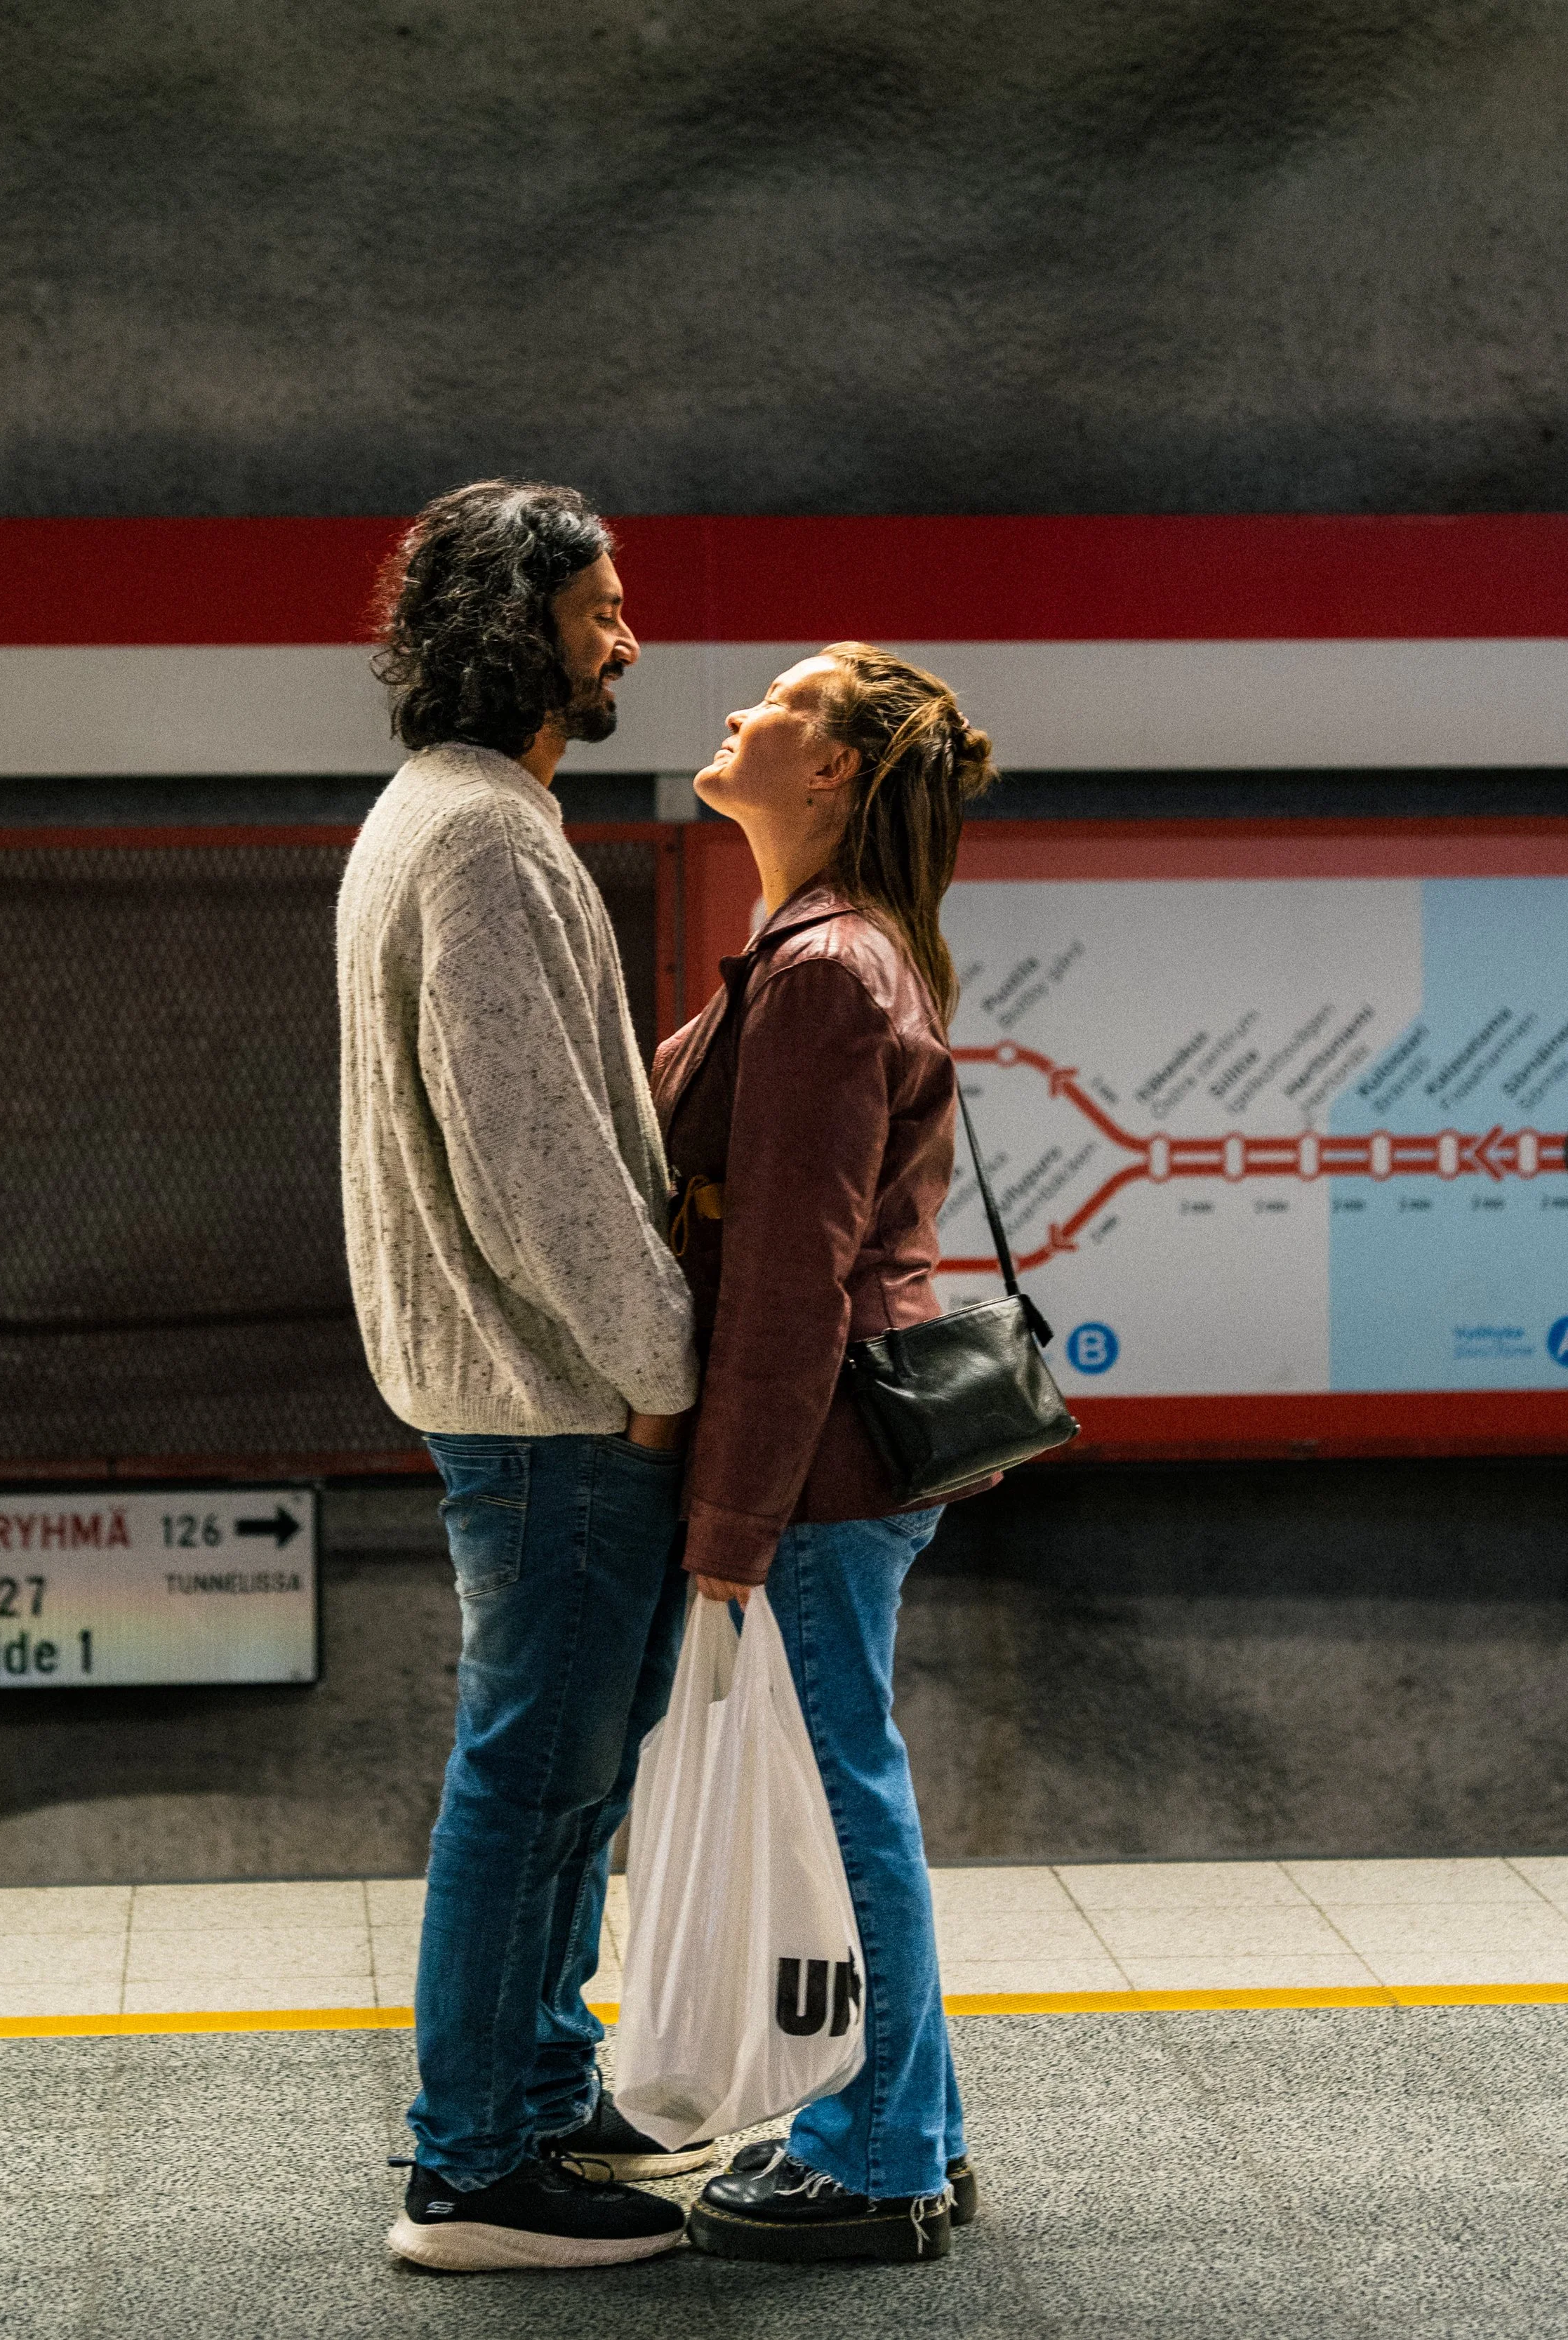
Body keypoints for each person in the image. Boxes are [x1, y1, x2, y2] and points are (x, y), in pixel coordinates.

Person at [338, 480, 712, 2274]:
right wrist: (657, 1368)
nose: (626, 639)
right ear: (519, 625)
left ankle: (540, 2091)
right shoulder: (487, 839)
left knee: (560, 1768)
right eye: (599, 611)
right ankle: (474, 2165)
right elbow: (535, 1154)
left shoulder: (442, 816)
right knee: (533, 1776)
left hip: (514, 1381)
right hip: (552, 1397)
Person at [651, 642, 1002, 2266]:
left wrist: (727, 1512)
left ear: (836, 771)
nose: (737, 712)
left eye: (779, 703)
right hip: (848, 1452)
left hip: (813, 1464)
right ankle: (906, 2129)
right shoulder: (835, 951)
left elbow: (790, 1268)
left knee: (843, 1794)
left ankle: (874, 2156)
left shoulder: (820, 970)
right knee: (847, 1777)